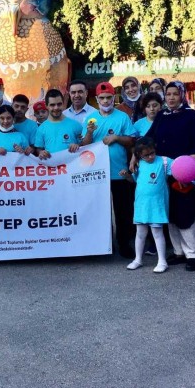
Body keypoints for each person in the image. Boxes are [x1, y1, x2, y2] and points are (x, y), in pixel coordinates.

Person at [143, 81, 195, 270]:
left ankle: (192, 255)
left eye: (175, 94)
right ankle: (179, 252)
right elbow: (149, 137)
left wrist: (191, 160)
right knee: (170, 213)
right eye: (168, 94)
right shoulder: (162, 115)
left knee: (185, 213)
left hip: (186, 173)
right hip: (165, 172)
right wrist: (136, 153)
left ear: (182, 95)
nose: (171, 97)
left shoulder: (192, 116)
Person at [82, 82, 139, 258]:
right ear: (97, 99)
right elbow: (84, 146)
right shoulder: (90, 119)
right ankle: (103, 245)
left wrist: (116, 138)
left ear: (114, 98)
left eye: (108, 98)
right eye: (102, 98)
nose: (105, 101)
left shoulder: (122, 117)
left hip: (119, 172)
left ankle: (124, 244)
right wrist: (90, 133)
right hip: (97, 173)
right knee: (100, 211)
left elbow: (132, 140)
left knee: (123, 212)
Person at [120, 137, 170, 272]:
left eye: (152, 153)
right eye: (146, 155)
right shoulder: (139, 164)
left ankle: (162, 261)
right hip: (141, 204)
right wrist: (127, 175)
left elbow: (179, 170)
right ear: (139, 155)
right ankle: (138, 259)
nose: (150, 157)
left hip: (157, 205)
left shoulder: (164, 161)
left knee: (157, 233)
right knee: (140, 233)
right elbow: (134, 180)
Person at [34, 89, 82, 160]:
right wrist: (41, 152)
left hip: (72, 169)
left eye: (59, 104)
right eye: (52, 105)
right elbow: (39, 149)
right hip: (52, 168)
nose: (56, 108)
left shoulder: (76, 125)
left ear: (63, 104)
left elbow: (85, 146)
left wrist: (77, 146)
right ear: (47, 106)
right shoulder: (41, 128)